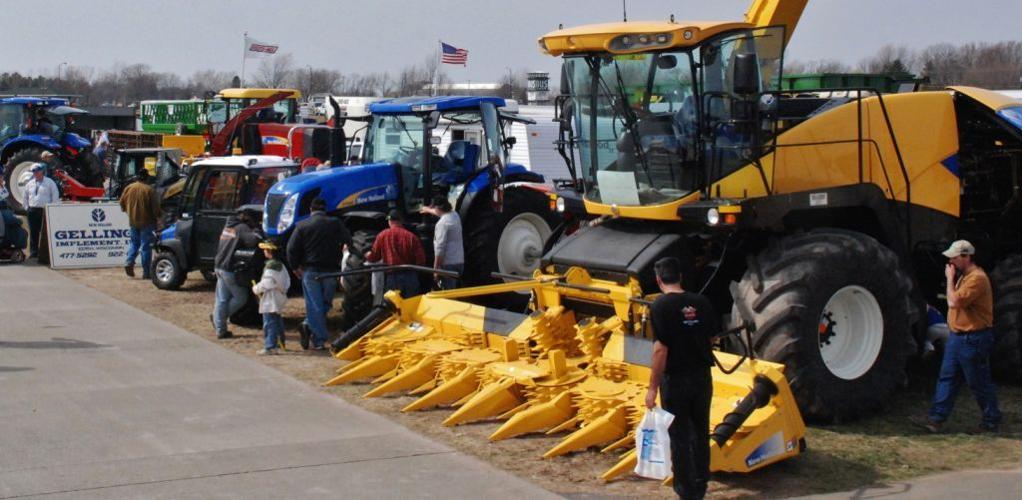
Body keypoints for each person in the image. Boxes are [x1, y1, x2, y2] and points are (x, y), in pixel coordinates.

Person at [644, 256, 718, 500]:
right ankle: (700, 484)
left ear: (658, 279)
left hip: (676, 379)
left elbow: (660, 350)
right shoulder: (702, 302)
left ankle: (686, 491)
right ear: (680, 277)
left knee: (679, 434)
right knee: (700, 430)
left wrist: (652, 388)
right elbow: (711, 339)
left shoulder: (660, 307)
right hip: (702, 377)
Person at [914, 240, 1001, 434]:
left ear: (966, 257)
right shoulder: (965, 276)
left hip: (973, 338)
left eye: (954, 257)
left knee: (978, 381)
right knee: (947, 377)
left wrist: (949, 279)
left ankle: (991, 420)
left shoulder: (977, 278)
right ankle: (936, 419)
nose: (950, 260)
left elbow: (953, 302)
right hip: (958, 337)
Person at [286, 197, 355, 351]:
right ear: (325, 209)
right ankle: (316, 337)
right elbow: (348, 240)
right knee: (325, 304)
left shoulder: (302, 225)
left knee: (315, 305)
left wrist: (295, 267)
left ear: (311, 210)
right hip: (330, 270)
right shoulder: (335, 223)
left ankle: (314, 333)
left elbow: (291, 249)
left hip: (310, 270)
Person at [211, 207, 262, 339]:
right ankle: (218, 319)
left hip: (219, 265)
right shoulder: (241, 228)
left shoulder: (228, 226)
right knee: (241, 298)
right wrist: (257, 230)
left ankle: (220, 328)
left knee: (222, 299)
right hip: (229, 268)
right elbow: (253, 241)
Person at [365, 209, 425, 299]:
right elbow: (421, 260)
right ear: (401, 221)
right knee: (411, 306)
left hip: (392, 277)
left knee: (393, 308)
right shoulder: (411, 237)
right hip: (410, 276)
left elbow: (374, 258)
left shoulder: (382, 235)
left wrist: (367, 255)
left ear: (389, 221)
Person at [118, 167, 162, 278]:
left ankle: (129, 261)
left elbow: (121, 202)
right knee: (146, 247)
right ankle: (146, 273)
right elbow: (156, 209)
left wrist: (127, 211)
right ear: (146, 178)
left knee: (134, 243)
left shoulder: (129, 187)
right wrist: (159, 217)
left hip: (133, 221)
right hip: (147, 222)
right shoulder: (149, 190)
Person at [252, 240, 291, 355]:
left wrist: (256, 289)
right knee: (277, 321)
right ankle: (280, 343)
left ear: (269, 251)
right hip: (279, 296)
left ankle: (270, 346)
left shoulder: (272, 266)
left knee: (269, 323)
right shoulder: (281, 265)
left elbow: (267, 283)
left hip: (272, 297)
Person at [420, 196, 463, 290]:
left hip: (448, 265)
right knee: (457, 291)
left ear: (438, 208)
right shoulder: (455, 215)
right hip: (459, 262)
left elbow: (439, 250)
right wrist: (428, 210)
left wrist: (435, 270)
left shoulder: (442, 224)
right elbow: (439, 213)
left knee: (449, 294)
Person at [22, 163, 59, 259]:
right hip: (32, 210)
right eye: (34, 172)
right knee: (33, 232)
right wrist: (27, 208)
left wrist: (52, 209)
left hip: (44, 211)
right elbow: (25, 197)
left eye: (38, 171)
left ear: (42, 171)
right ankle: (34, 252)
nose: (36, 173)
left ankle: (46, 254)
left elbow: (55, 196)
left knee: (45, 233)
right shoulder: (29, 184)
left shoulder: (50, 182)